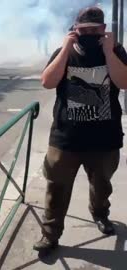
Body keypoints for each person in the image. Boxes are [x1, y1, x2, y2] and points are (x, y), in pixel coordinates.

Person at [34, 6, 127, 252]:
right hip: (66, 138)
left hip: (104, 139)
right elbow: (47, 82)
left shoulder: (116, 51)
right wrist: (65, 48)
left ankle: (99, 213)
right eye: (83, 30)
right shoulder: (64, 52)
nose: (89, 34)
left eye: (94, 30)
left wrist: (108, 51)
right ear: (75, 29)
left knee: (101, 185)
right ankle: (50, 234)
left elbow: (124, 82)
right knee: (56, 187)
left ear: (104, 30)